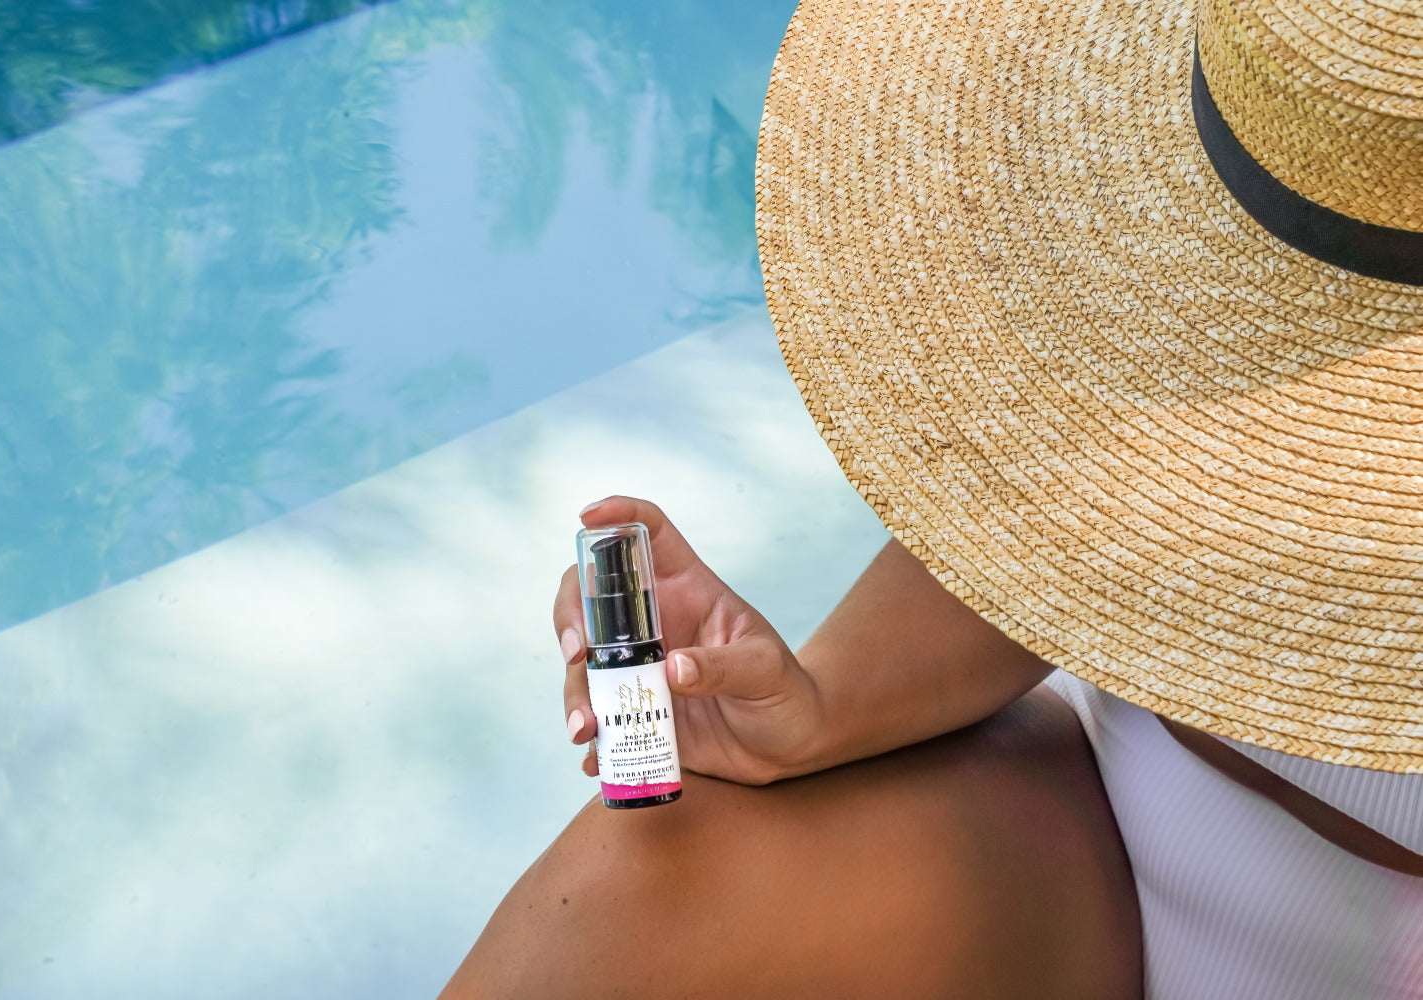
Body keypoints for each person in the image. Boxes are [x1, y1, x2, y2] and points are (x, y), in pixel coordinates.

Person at [443, 0, 1423, 995]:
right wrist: (819, 708)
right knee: (637, 883)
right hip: (1122, 838)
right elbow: (1079, 494)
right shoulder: (1291, 153)